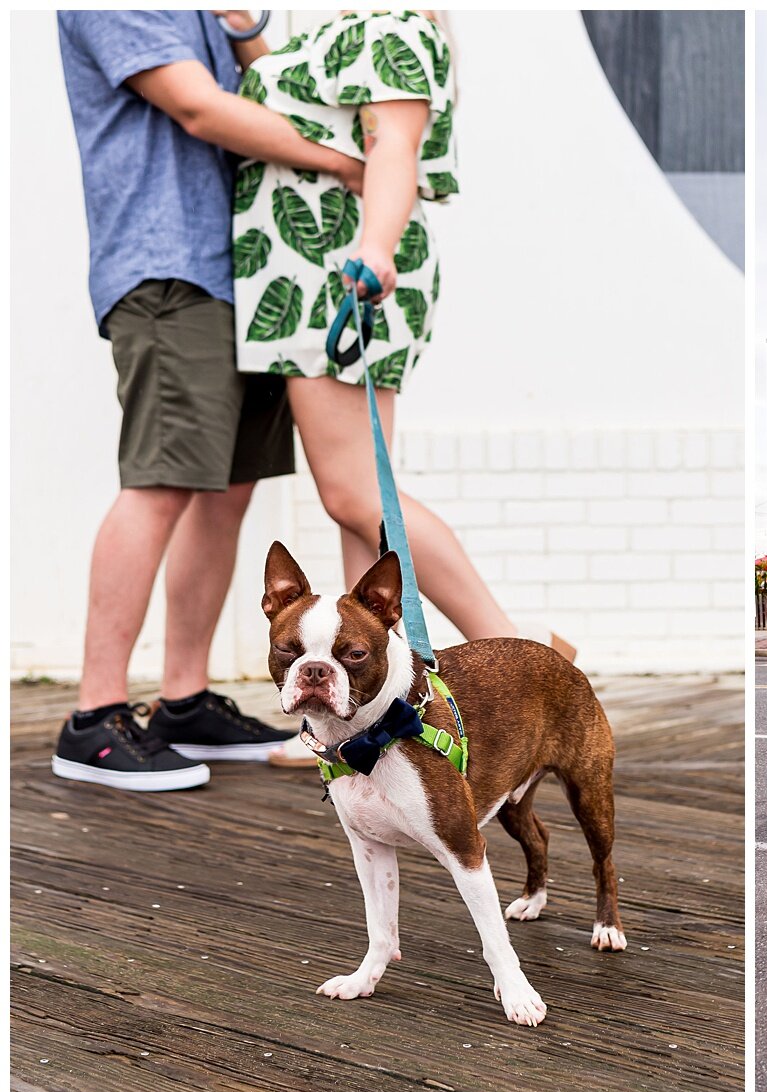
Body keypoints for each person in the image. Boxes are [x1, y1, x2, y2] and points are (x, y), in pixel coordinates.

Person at [231, 13, 573, 765]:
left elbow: (394, 143)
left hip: (340, 269)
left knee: (359, 492)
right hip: (310, 268)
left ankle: (521, 659)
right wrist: (247, 30)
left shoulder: (396, 24)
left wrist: (376, 248)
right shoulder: (340, 31)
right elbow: (296, 103)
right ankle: (353, 716)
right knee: (353, 506)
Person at [52, 10, 370, 791]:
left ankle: (184, 701)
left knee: (226, 490)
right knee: (159, 481)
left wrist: (246, 24)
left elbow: (275, 87)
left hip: (248, 275)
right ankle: (93, 718)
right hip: (171, 267)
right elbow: (197, 107)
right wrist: (346, 164)